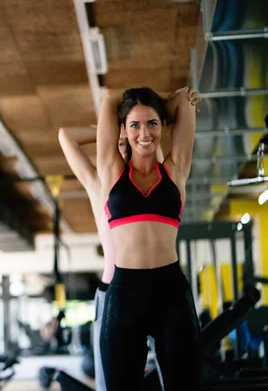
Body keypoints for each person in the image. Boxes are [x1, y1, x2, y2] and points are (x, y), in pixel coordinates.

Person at [96, 87, 201, 390]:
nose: (145, 133)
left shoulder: (175, 171)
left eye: (153, 123)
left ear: (164, 126)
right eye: (135, 125)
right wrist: (158, 102)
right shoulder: (112, 171)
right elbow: (109, 97)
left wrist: (167, 103)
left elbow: (184, 101)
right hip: (124, 293)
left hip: (171, 293)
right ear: (123, 130)